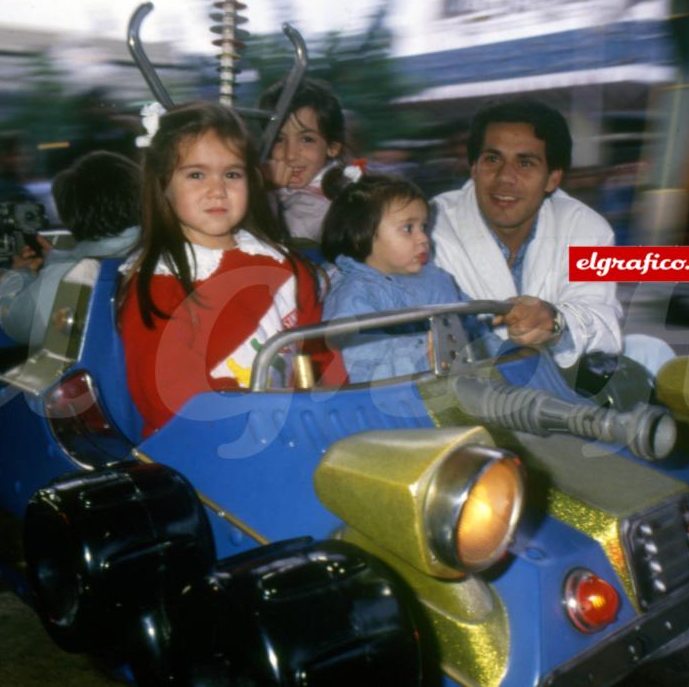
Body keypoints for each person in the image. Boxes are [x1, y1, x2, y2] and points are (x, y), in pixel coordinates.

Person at [118, 102, 341, 437]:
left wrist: (328, 411)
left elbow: (320, 355)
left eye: (231, 174)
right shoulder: (160, 285)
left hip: (293, 432)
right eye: (196, 174)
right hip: (207, 447)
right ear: (163, 185)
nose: (217, 189)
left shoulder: (286, 266)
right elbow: (168, 401)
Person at [430, 99, 622, 369]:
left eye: (526, 163)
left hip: (557, 389)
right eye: (493, 159)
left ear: (553, 178)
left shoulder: (586, 228)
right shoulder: (429, 226)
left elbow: (602, 319)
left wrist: (555, 323)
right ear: (473, 167)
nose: (505, 177)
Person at [320, 171, 487, 382]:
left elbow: (475, 326)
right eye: (408, 228)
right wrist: (426, 356)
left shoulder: (438, 279)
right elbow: (364, 362)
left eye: (424, 227)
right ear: (360, 235)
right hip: (397, 401)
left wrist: (503, 348)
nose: (424, 239)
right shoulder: (353, 294)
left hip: (462, 385)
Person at [0, 152, 141, 348]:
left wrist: (18, 276)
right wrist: (57, 259)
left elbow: (18, 326)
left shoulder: (64, 278)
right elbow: (113, 251)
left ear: (70, 216)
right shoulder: (165, 255)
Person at [257, 78, 347, 242]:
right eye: (279, 139)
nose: (290, 155)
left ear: (332, 147)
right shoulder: (278, 190)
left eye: (307, 139)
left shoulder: (319, 206)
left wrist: (265, 194)